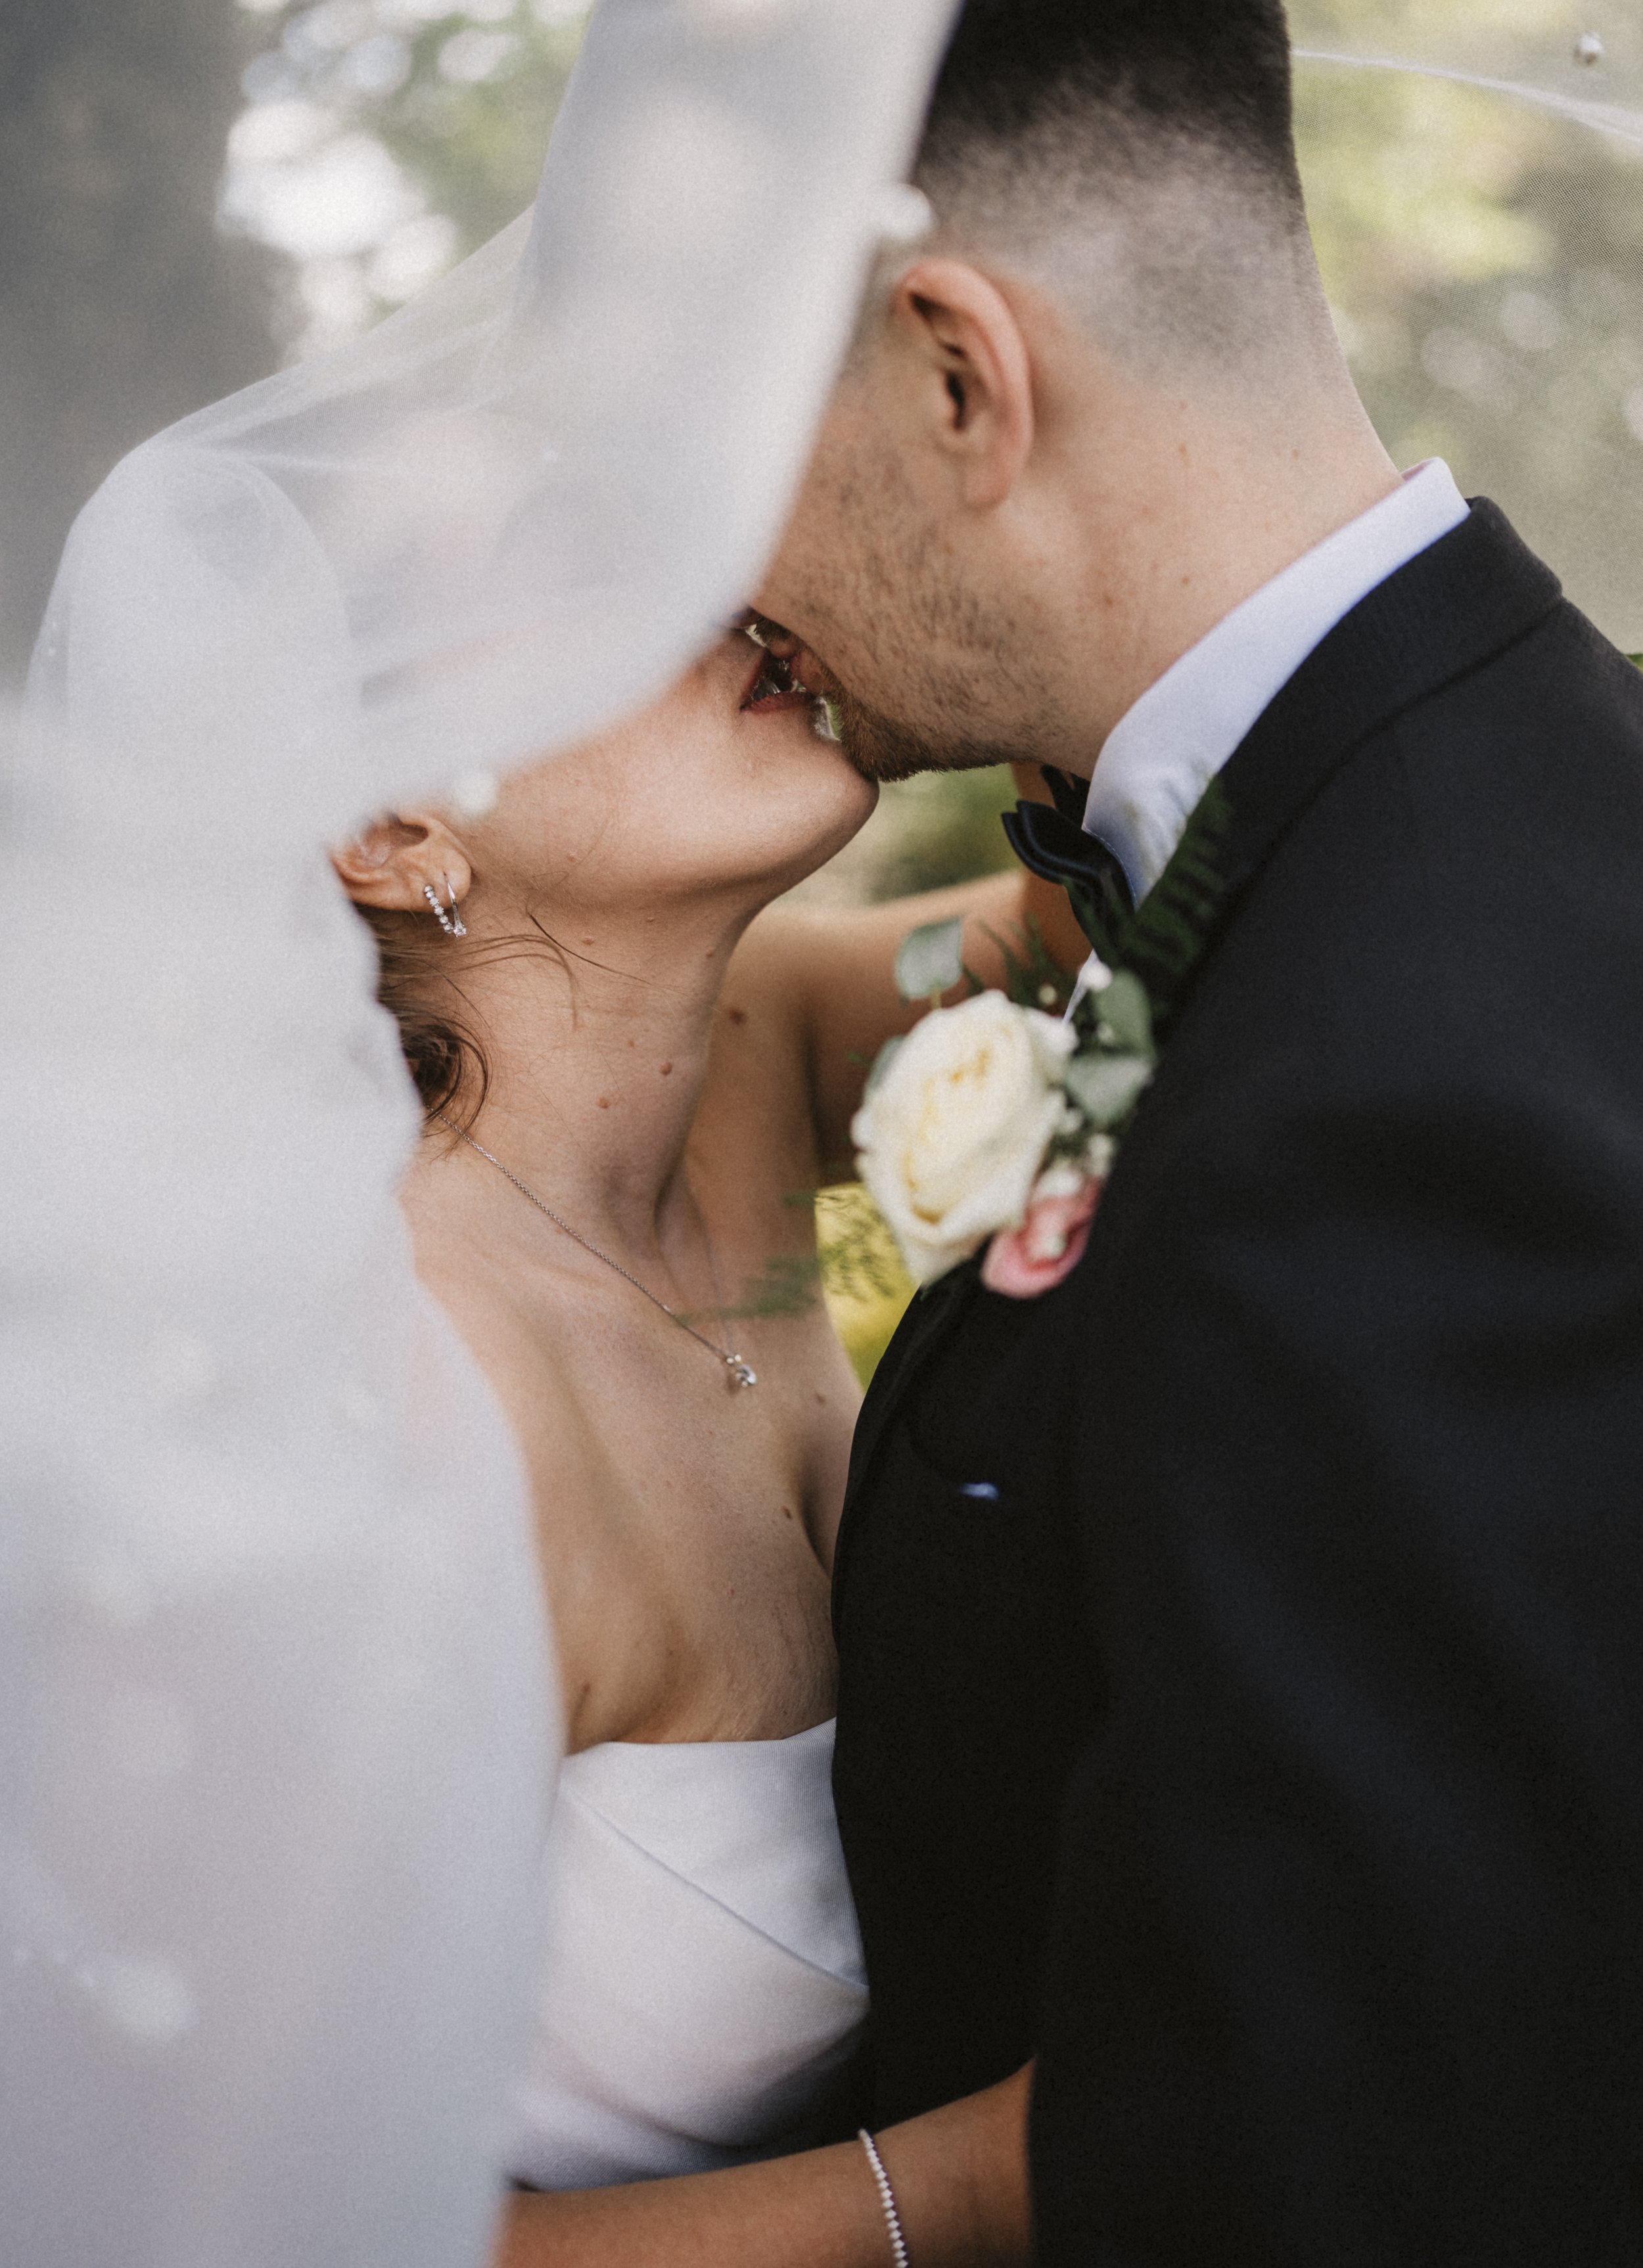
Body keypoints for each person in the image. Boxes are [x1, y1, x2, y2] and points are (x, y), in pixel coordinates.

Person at [735, 0, 1643, 2258]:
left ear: (960, 378)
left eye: (718, 434)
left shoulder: (1395, 1060)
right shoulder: (1390, 811)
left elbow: (1339, 2151)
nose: (709, 558)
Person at [331, 629, 1085, 2242]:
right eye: (599, 577)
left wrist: (1016, 603)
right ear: (395, 832)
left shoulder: (743, 1047)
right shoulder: (392, 1422)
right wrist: (989, 2178)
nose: (728, 602)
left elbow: (1075, 931)